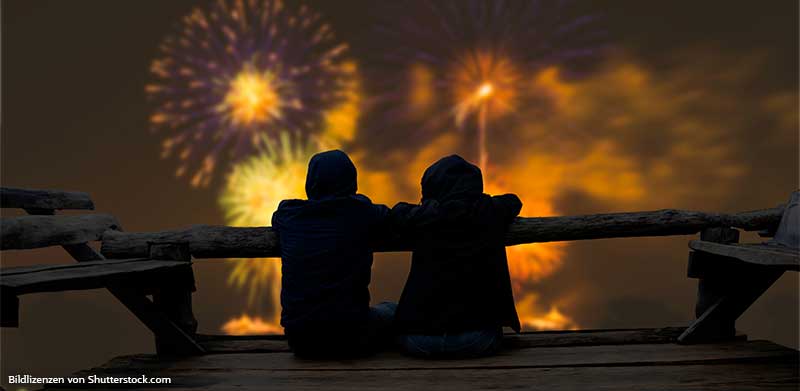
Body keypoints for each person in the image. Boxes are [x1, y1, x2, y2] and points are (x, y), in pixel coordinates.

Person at [391, 154, 522, 358]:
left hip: (418, 341)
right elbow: (513, 201)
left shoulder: (421, 218)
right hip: (476, 339)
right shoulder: (490, 212)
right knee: (493, 328)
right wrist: (476, 202)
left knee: (390, 312)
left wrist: (430, 208)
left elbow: (397, 212)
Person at [272, 150, 396, 358]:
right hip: (351, 337)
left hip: (301, 341)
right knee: (392, 310)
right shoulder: (361, 211)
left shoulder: (288, 215)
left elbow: (278, 217)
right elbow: (387, 216)